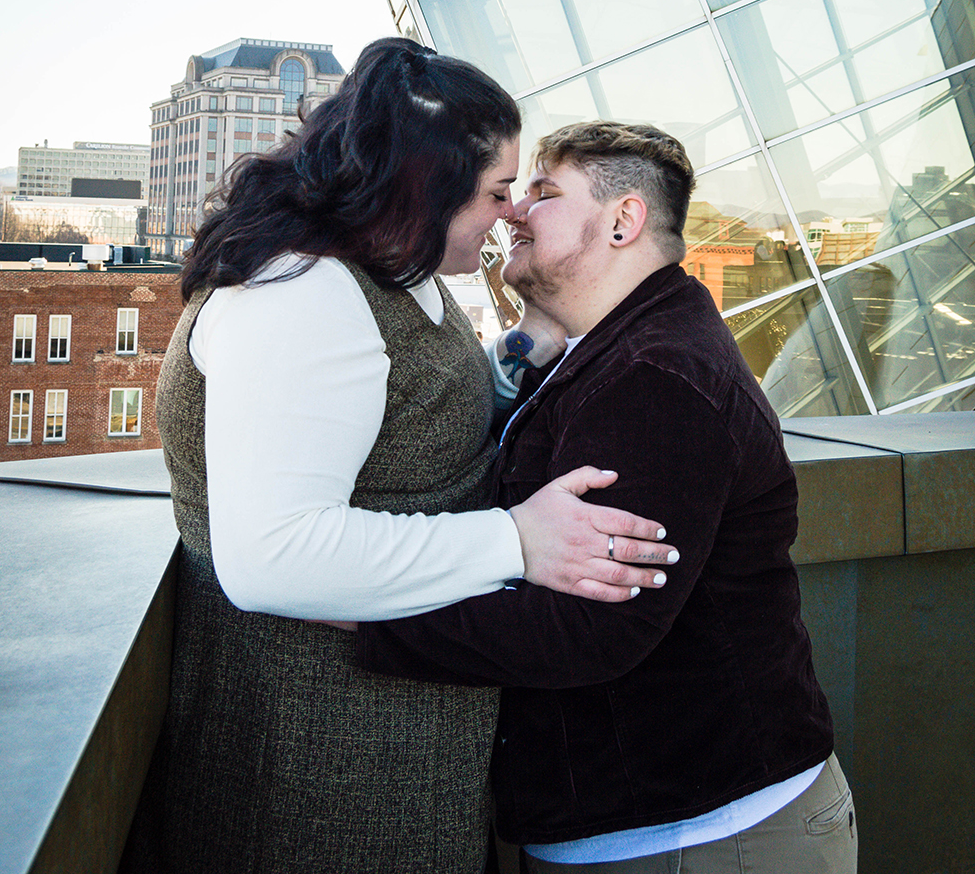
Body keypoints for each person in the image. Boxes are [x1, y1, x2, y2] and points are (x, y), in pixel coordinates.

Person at [122, 45, 676, 874]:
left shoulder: (381, 270)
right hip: (320, 768)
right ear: (427, 181)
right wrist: (516, 540)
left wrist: (527, 348)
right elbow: (273, 556)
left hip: (393, 742)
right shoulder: (299, 294)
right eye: (496, 191)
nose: (510, 213)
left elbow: (409, 418)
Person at [354, 121, 856, 873]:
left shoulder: (655, 380)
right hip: (663, 821)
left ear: (624, 221)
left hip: (699, 839)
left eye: (545, 194)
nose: (513, 212)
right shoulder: (620, 343)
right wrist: (537, 333)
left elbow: (586, 628)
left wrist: (352, 612)